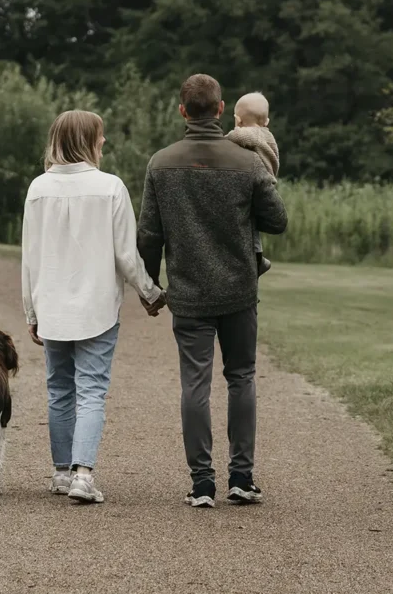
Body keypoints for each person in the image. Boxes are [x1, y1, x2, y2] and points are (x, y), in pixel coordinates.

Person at [137, 74, 288, 508]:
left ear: (183, 111)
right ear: (221, 110)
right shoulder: (246, 162)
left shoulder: (160, 163)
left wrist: (152, 286)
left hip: (188, 293)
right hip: (239, 290)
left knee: (195, 384)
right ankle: (242, 476)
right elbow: (276, 221)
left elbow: (149, 235)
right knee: (241, 378)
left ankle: (202, 482)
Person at [22, 109, 167, 504]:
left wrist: (30, 310)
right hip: (97, 307)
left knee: (59, 390)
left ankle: (61, 472)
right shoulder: (111, 187)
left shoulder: (37, 189)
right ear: (86, 140)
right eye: (100, 136)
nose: (104, 143)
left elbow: (29, 257)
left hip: (51, 304)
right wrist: (150, 292)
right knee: (91, 391)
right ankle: (83, 474)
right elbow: (126, 254)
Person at [225, 91, 279, 277]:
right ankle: (259, 258)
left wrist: (223, 139)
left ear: (237, 120)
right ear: (267, 122)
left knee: (248, 224)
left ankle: (258, 260)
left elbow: (231, 140)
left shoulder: (245, 135)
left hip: (252, 184)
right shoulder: (268, 136)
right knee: (253, 226)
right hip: (266, 185)